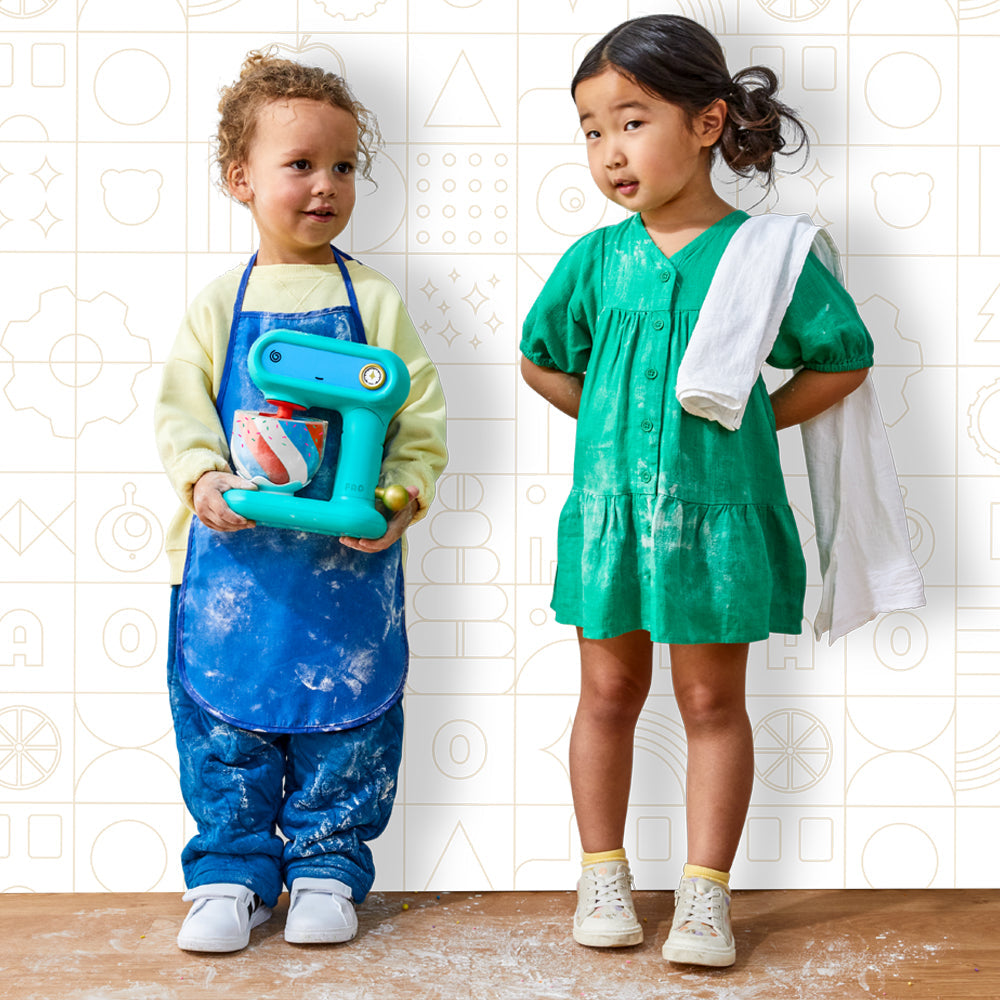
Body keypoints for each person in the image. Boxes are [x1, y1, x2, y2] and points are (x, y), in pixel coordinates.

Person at [520, 15, 917, 968]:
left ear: (706, 124)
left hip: (718, 522)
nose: (610, 151)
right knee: (607, 692)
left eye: (631, 121)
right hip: (615, 520)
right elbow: (542, 359)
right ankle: (602, 874)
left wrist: (755, 422)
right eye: (591, 130)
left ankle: (705, 895)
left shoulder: (767, 255)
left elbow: (844, 358)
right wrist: (611, 425)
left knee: (710, 703)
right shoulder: (594, 261)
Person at [155, 50, 447, 953]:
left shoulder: (374, 301)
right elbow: (181, 410)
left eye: (344, 165)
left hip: (345, 572)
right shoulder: (218, 305)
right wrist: (203, 477)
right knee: (225, 723)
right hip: (233, 570)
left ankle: (327, 866)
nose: (327, 184)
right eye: (300, 164)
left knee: (347, 725)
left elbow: (419, 418)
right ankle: (229, 874)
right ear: (239, 179)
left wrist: (401, 497)